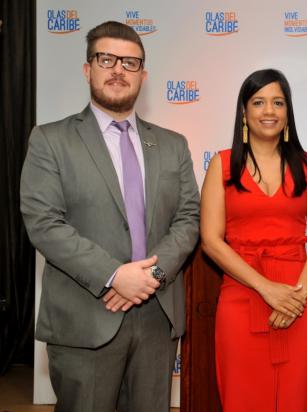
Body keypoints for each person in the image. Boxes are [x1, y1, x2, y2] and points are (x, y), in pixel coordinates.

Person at [20, 21, 200, 412]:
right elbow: (44, 223)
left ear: (143, 75)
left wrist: (150, 277)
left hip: (157, 316)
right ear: (88, 68)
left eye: (130, 63)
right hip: (85, 318)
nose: (119, 70)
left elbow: (188, 219)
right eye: (107, 59)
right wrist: (116, 275)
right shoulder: (50, 140)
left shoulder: (172, 145)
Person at [200, 69, 307, 411]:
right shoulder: (222, 165)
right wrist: (265, 288)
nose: (269, 111)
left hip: (298, 299)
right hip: (241, 297)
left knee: (295, 399)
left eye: (278, 102)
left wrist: (298, 297)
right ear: (244, 112)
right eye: (258, 102)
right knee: (243, 397)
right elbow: (211, 241)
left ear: (288, 112)